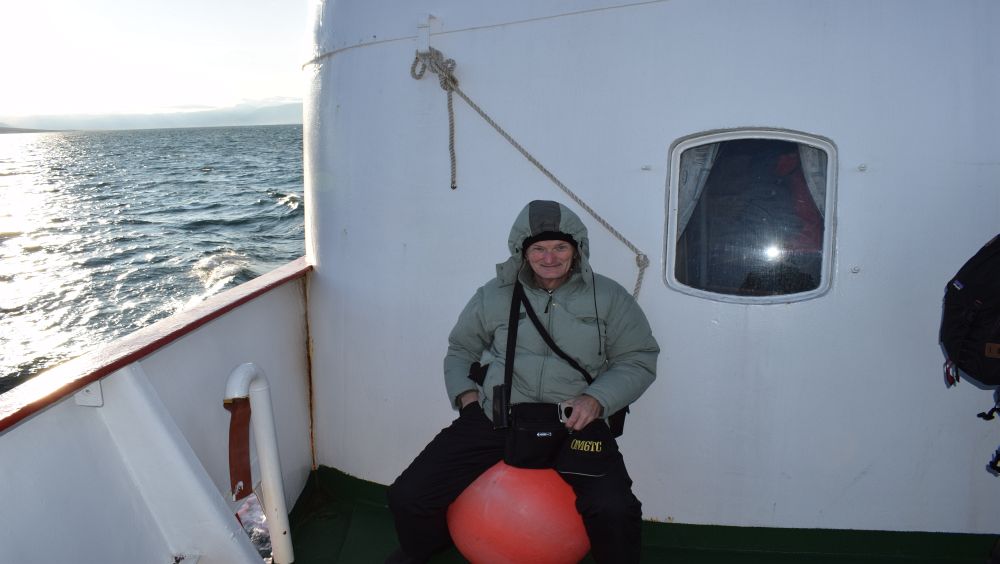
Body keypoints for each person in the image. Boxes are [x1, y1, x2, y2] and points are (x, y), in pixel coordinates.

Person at [386, 200, 659, 563]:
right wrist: (467, 397)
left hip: (576, 421)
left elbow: (638, 359)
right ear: (523, 252)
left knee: (615, 510)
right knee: (409, 495)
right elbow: (461, 349)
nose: (550, 258)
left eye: (560, 247)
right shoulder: (493, 294)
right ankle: (426, 547)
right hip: (498, 418)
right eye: (539, 248)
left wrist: (596, 399)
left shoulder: (609, 297)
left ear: (577, 249)